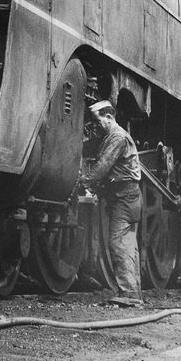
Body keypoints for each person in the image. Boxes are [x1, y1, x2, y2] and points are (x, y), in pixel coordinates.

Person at [76, 100, 143, 305]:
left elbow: (103, 165)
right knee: (129, 246)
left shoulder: (117, 137)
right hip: (126, 197)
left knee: (119, 244)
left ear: (109, 117)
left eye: (97, 121)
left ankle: (129, 295)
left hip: (124, 198)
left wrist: (83, 182)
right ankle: (133, 292)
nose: (95, 126)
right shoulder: (111, 136)